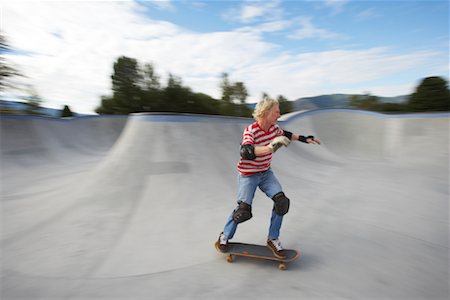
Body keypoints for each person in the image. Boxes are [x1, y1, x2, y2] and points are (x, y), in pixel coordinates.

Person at [217, 97, 321, 258]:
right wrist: (270, 147)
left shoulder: (274, 128)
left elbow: (286, 134)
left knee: (282, 202)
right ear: (266, 113)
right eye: (276, 112)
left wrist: (305, 139)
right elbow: (246, 151)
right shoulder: (251, 130)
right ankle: (224, 236)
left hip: (265, 173)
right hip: (248, 175)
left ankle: (273, 239)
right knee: (242, 211)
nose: (279, 115)